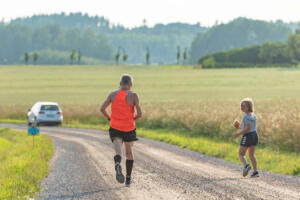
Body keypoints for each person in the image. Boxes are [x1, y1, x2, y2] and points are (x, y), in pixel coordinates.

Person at [100, 74, 142, 187]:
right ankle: (128, 180)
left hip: (115, 127)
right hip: (129, 128)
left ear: (120, 84)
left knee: (118, 152)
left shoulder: (113, 94)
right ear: (131, 84)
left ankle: (117, 163)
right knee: (129, 153)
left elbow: (102, 109)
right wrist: (132, 119)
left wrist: (110, 118)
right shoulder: (134, 96)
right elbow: (139, 114)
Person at [233, 98, 259, 178]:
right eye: (241, 105)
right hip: (254, 135)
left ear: (248, 107)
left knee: (241, 153)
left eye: (243, 106)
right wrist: (240, 126)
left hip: (248, 136)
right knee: (251, 154)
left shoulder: (246, 116)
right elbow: (249, 127)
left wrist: (238, 134)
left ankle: (246, 166)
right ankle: (255, 172)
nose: (242, 107)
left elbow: (247, 128)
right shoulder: (253, 115)